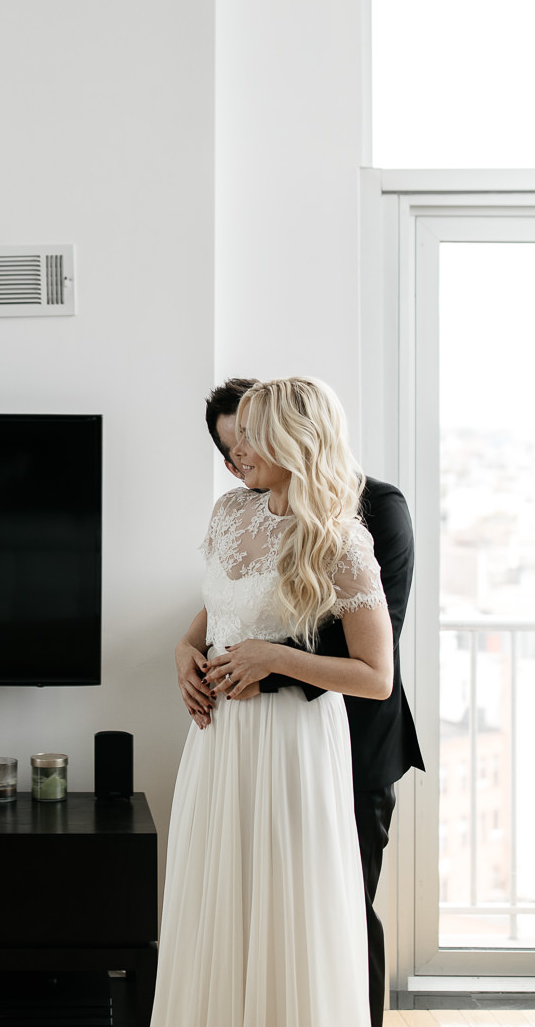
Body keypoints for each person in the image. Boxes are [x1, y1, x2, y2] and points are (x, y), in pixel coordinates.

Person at [175, 378, 423, 1027]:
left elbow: (376, 673)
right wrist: (185, 649)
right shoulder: (230, 513)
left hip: (294, 742)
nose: (238, 451)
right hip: (219, 741)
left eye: (252, 435)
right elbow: (221, 608)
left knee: (303, 912)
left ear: (293, 438)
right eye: (235, 439)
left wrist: (276, 660)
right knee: (220, 903)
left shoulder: (343, 536)